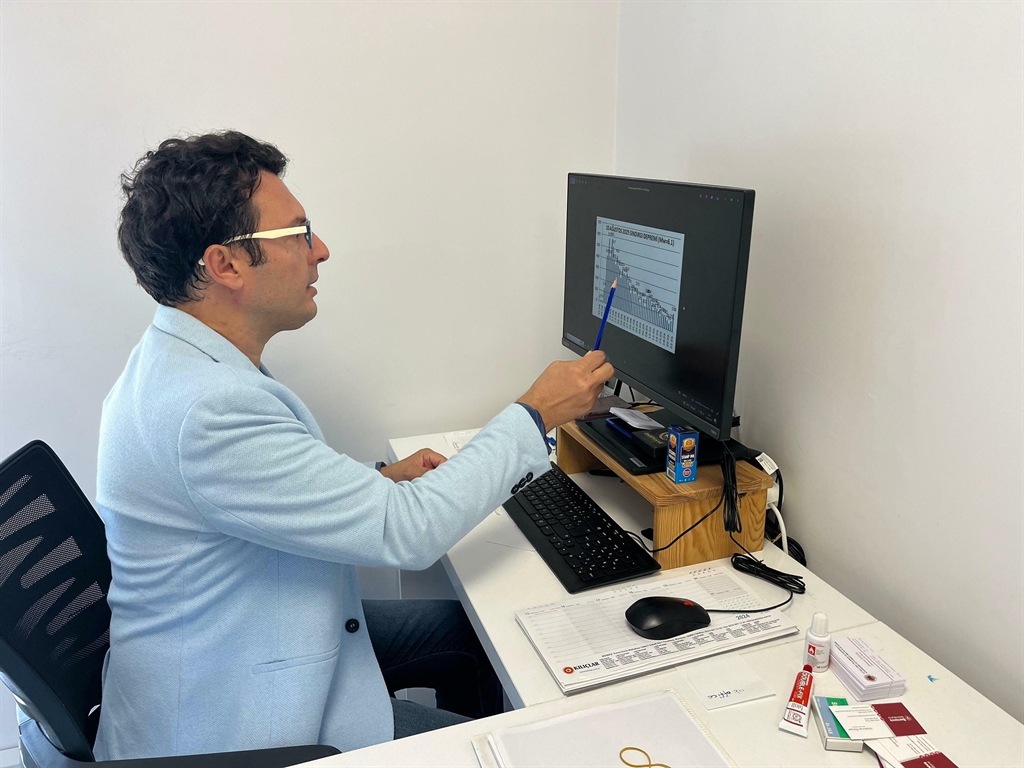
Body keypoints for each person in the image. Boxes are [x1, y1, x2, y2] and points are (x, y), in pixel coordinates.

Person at [94, 130, 613, 760]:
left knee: (469, 636)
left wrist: (375, 480)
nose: (321, 250)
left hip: (254, 637)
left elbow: (253, 488)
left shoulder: (181, 362)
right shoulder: (206, 409)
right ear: (225, 265)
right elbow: (408, 534)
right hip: (235, 719)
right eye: (299, 233)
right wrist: (535, 414)